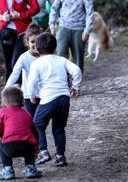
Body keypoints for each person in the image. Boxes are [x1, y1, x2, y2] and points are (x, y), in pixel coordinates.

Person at [27, 32, 82, 167]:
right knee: (58, 128)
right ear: (55, 48)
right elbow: (76, 70)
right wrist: (76, 86)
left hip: (48, 100)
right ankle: (60, 156)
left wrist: (32, 95)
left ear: (37, 49)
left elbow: (31, 82)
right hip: (64, 99)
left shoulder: (36, 63)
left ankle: (44, 152)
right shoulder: (61, 60)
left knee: (37, 124)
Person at [48, 0, 94, 73]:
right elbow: (54, 8)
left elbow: (90, 13)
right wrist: (52, 24)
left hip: (79, 29)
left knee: (78, 58)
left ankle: (75, 85)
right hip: (63, 27)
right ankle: (63, 81)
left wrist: (87, 30)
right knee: (61, 55)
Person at [0, 86, 42, 180]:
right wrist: (36, 145)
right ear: (23, 102)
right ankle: (31, 169)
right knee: (30, 142)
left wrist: (4, 136)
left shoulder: (2, 112)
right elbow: (35, 132)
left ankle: (8, 170)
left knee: (0, 143)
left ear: (2, 103)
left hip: (9, 147)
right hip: (27, 147)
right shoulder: (27, 113)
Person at [4, 23, 44, 117]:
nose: (35, 45)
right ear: (27, 42)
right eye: (32, 42)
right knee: (31, 120)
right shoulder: (24, 57)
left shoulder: (45, 55)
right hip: (28, 95)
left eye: (38, 41)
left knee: (40, 122)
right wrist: (6, 90)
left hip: (44, 93)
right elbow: (15, 74)